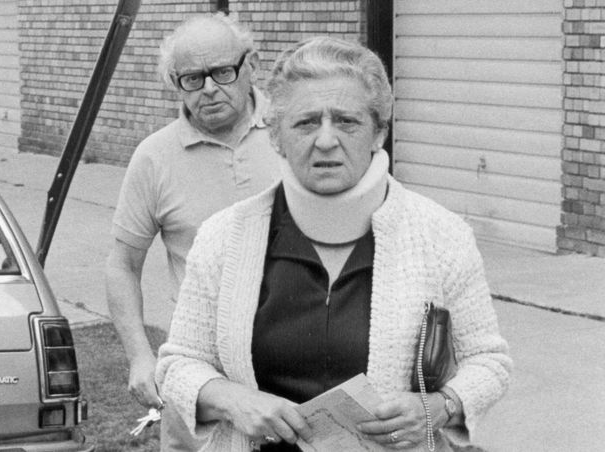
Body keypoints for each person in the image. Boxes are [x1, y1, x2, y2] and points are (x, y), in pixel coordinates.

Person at [156, 37, 512, 452]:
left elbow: (488, 361)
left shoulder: (441, 236)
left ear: (379, 132)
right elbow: (179, 363)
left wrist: (440, 406)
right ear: (276, 137)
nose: (326, 140)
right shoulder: (224, 237)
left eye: (346, 121)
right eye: (306, 123)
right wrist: (235, 401)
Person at [106, 12, 280, 415]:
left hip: (292, 362)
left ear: (251, 65)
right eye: (192, 79)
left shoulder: (294, 133)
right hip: (198, 373)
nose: (209, 89)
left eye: (223, 72)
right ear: (175, 82)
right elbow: (122, 265)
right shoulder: (154, 157)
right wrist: (140, 356)